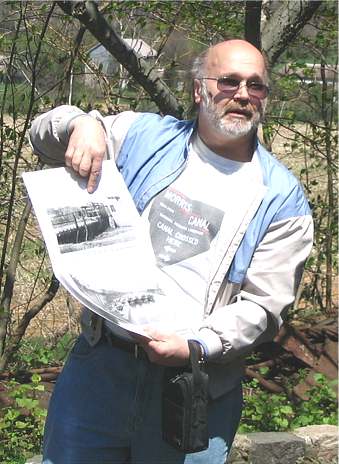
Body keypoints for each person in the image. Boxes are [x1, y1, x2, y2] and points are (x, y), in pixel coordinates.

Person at [29, 39, 313, 464]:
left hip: (193, 384)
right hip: (100, 369)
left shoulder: (281, 198)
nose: (241, 94)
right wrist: (80, 124)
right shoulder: (142, 137)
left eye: (255, 86)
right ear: (199, 89)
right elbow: (42, 134)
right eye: (229, 81)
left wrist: (196, 344)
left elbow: (263, 307)